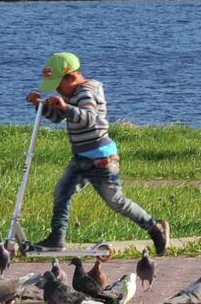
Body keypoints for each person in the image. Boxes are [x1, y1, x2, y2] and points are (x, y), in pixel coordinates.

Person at [23, 51, 169, 256]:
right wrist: (40, 106)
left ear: (71, 77)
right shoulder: (70, 93)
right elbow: (59, 118)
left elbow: (88, 118)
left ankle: (155, 228)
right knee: (62, 193)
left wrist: (65, 106)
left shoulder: (86, 92)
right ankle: (57, 238)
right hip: (81, 158)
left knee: (116, 201)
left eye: (57, 84)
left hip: (101, 160)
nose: (56, 89)